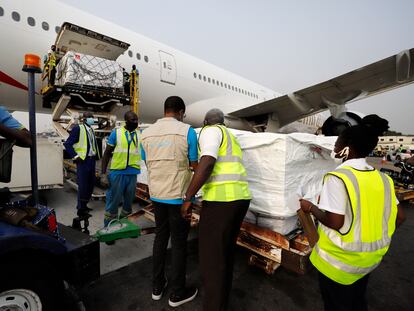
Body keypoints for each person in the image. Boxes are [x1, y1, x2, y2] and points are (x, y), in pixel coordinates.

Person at [299, 114, 405, 311]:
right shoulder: (384, 179)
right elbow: (400, 217)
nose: (335, 148)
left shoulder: (338, 178)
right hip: (370, 261)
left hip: (339, 264)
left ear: (348, 146)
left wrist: (311, 208)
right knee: (357, 302)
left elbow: (335, 222)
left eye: (338, 143)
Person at [182, 108, 251, 311]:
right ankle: (220, 303)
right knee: (224, 256)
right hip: (239, 199)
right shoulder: (230, 136)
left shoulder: (211, 131)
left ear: (205, 122)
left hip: (222, 202)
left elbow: (208, 162)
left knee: (211, 260)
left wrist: (188, 197)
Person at [141, 96, 198, 307]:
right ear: (181, 111)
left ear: (165, 110)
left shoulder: (145, 133)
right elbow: (194, 165)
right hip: (177, 196)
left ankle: (157, 287)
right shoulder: (187, 131)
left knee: (160, 237)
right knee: (179, 244)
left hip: (157, 194)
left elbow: (147, 161)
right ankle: (177, 293)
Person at [101, 111, 140, 227]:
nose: (136, 122)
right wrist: (103, 174)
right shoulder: (116, 133)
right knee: (113, 202)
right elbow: (107, 153)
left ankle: (125, 225)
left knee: (128, 202)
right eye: (133, 120)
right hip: (118, 172)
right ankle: (108, 228)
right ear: (126, 121)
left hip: (133, 173)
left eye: (137, 120)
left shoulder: (139, 134)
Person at [64, 112, 100, 217]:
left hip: (92, 160)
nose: (92, 119)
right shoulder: (78, 128)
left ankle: (84, 205)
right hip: (83, 161)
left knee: (91, 184)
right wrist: (75, 156)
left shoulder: (91, 130)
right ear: (84, 119)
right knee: (83, 185)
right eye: (89, 117)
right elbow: (67, 144)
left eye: (92, 117)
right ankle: (80, 209)